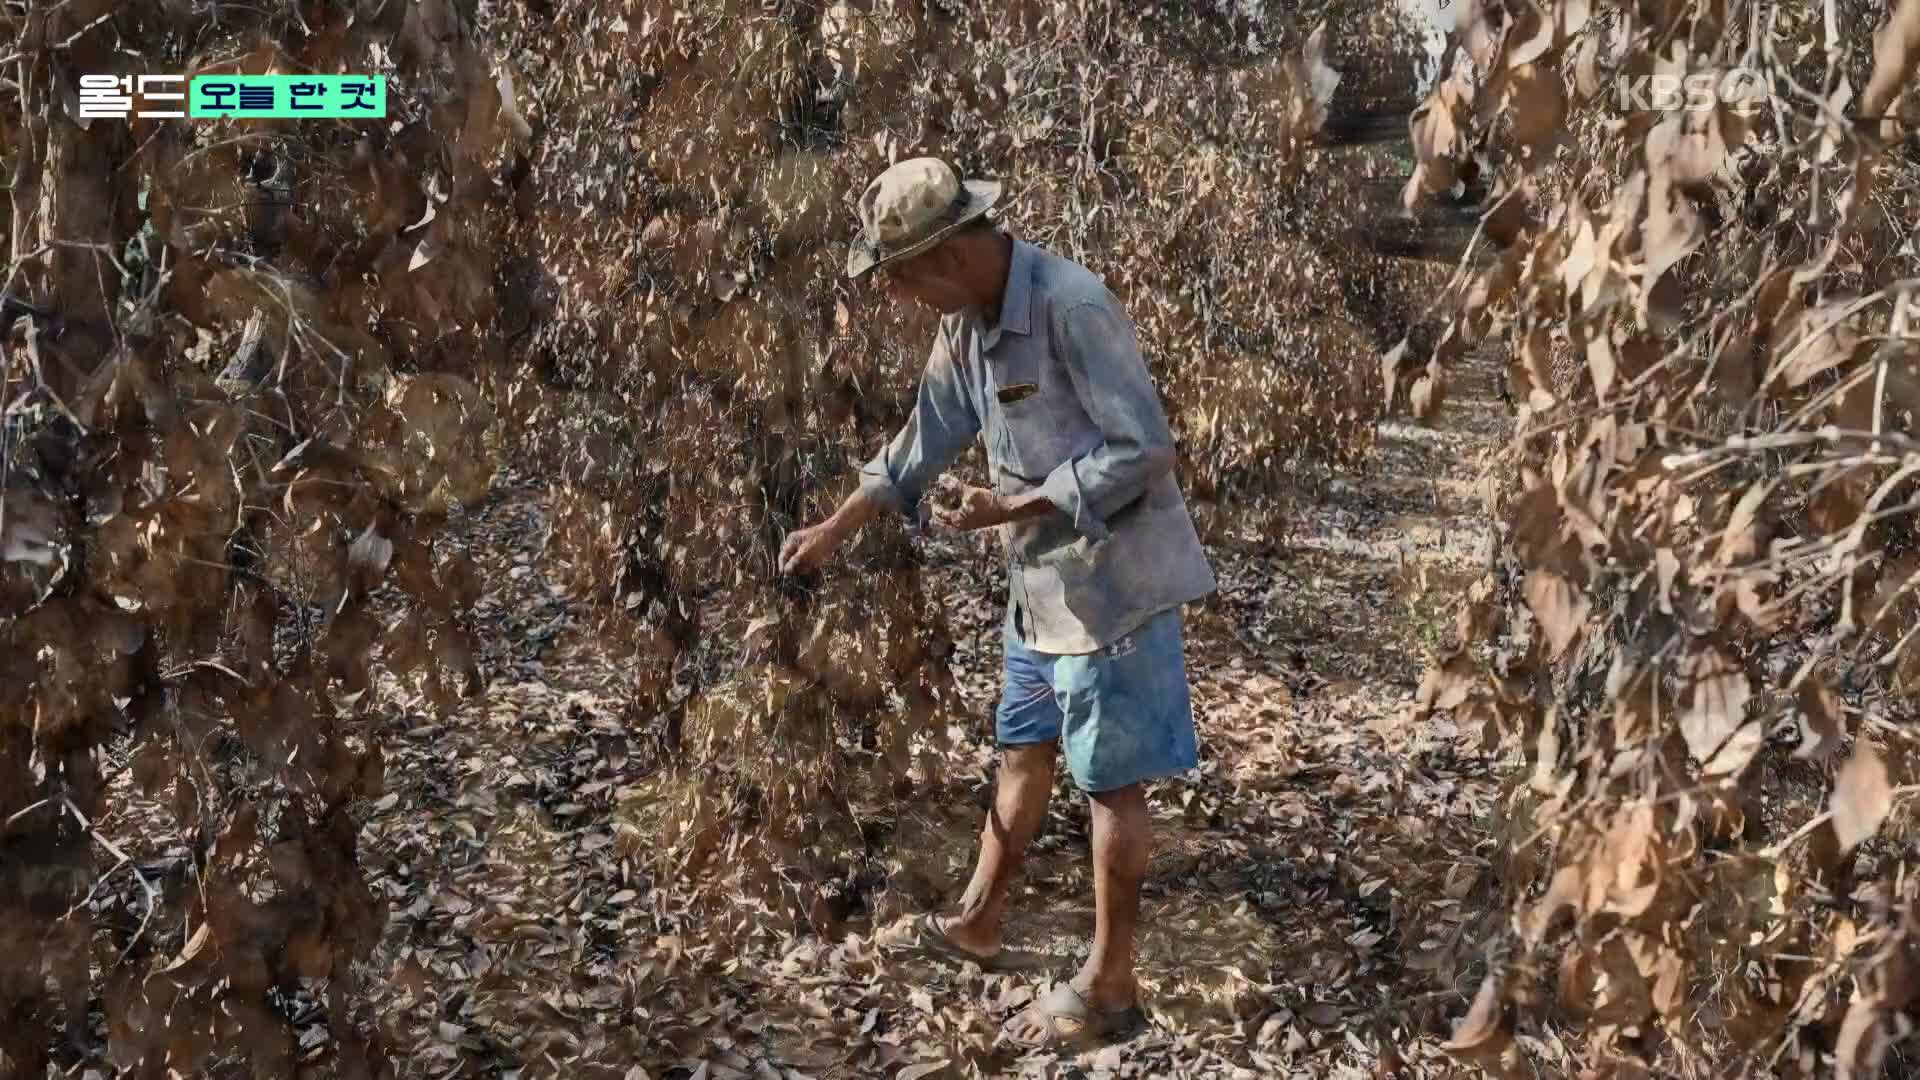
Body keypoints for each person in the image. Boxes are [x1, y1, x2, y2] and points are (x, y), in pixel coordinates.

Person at [778, 157, 1217, 1048]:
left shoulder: (1070, 306)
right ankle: (978, 921)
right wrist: (835, 526)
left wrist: (1014, 504)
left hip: (1114, 591)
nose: (902, 296)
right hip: (1039, 588)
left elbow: (1144, 449)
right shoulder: (968, 327)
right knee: (1022, 748)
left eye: (904, 277)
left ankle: (1112, 988)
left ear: (954, 253)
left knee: (1109, 786)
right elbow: (922, 441)